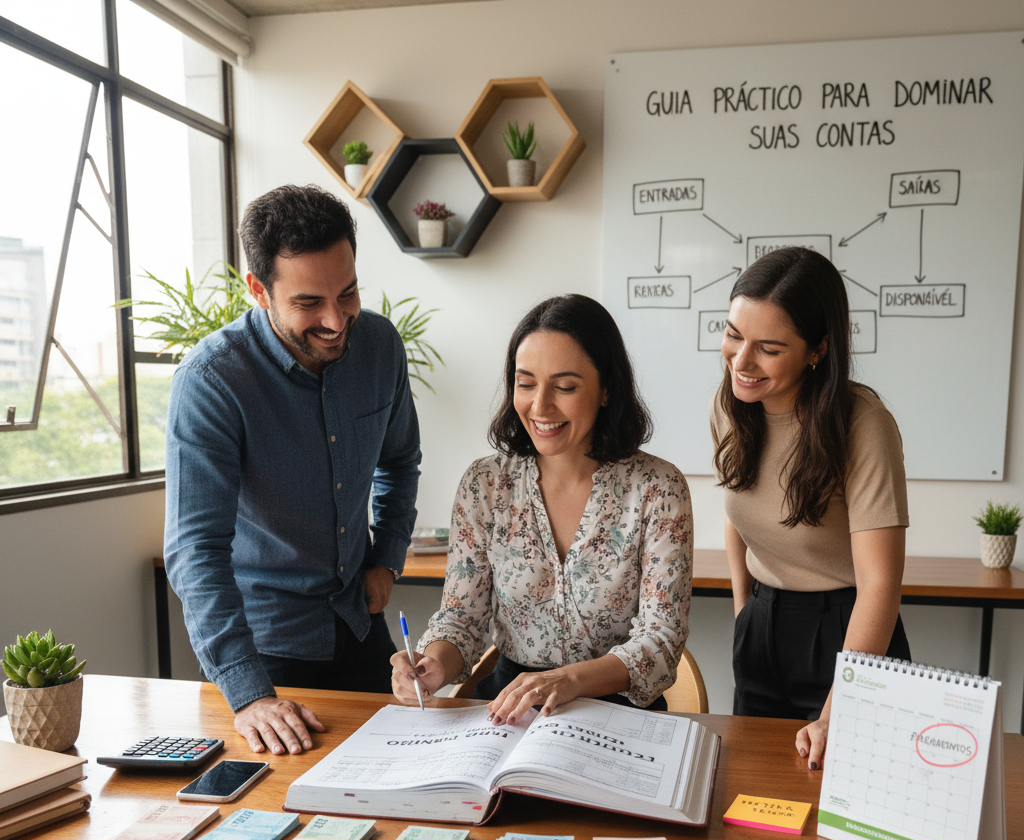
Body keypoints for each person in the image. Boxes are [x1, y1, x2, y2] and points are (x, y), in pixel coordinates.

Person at [165, 184, 421, 757]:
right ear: (259, 290)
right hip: (266, 652)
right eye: (309, 303)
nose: (335, 319)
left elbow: (400, 460)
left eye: (347, 292)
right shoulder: (211, 381)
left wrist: (387, 557)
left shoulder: (380, 346)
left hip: (360, 622)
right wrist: (249, 695)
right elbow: (195, 549)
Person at [390, 294, 693, 724]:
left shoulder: (659, 488)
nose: (540, 406)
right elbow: (461, 619)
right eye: (526, 383)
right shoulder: (485, 484)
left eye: (565, 387)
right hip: (510, 711)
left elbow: (661, 641)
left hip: (621, 713)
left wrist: (569, 680)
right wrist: (433, 664)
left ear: (607, 389)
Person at [711, 246, 910, 771]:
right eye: (733, 335)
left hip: (848, 633)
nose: (741, 361)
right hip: (763, 625)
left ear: (817, 349)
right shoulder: (731, 406)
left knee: (842, 798)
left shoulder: (863, 423)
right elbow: (737, 513)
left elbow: (881, 583)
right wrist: (745, 613)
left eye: (769, 348)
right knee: (755, 790)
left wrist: (837, 707)